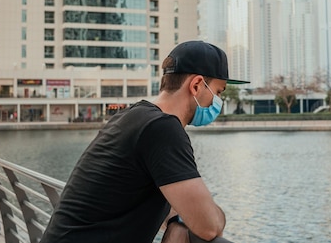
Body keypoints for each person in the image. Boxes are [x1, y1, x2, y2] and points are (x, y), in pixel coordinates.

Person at [40, 41, 248, 243]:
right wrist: (199, 216)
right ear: (196, 85)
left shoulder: (132, 117)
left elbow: (166, 197)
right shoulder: (163, 129)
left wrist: (179, 220)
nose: (218, 103)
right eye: (218, 92)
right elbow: (209, 225)